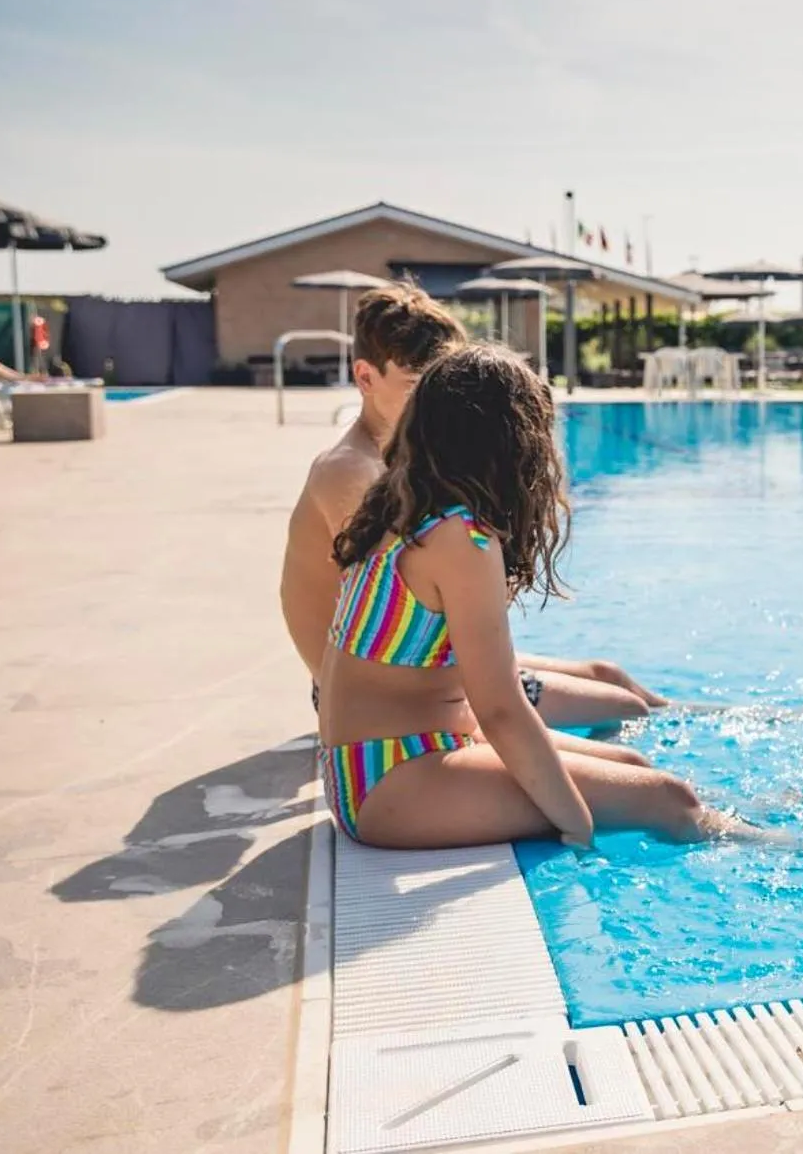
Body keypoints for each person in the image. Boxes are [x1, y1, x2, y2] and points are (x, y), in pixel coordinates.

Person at [318, 343, 762, 848]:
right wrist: (574, 819)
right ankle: (798, 850)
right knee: (665, 798)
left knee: (632, 765)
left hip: (389, 756)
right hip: (385, 780)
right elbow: (501, 707)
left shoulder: (400, 504)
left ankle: (733, 822)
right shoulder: (460, 537)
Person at [281, 284, 662, 729]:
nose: (436, 401)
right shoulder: (351, 472)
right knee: (617, 705)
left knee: (607, 676)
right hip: (385, 698)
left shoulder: (409, 461)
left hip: (423, 667)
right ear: (365, 377)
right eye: (417, 386)